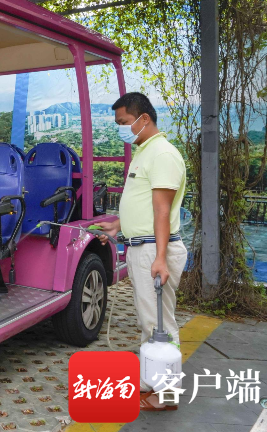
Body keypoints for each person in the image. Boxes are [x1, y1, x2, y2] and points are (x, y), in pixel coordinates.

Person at [95, 92, 188, 411]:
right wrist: (118, 227)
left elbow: (162, 210)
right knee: (150, 321)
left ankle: (167, 394)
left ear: (143, 118)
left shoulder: (162, 154)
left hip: (154, 251)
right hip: (144, 248)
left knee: (160, 323)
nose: (121, 128)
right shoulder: (145, 152)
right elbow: (144, 205)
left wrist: (160, 258)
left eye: (124, 122)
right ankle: (152, 382)